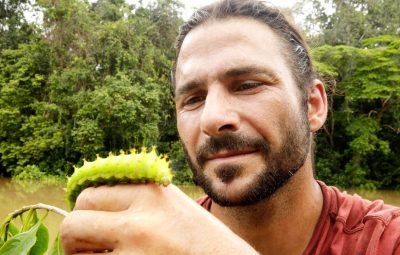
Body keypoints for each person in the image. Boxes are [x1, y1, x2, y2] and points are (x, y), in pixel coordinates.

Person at [60, 0, 400, 254]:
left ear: (313, 105)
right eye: (192, 99)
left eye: (248, 84)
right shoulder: (135, 242)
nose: (212, 118)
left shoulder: (387, 239)